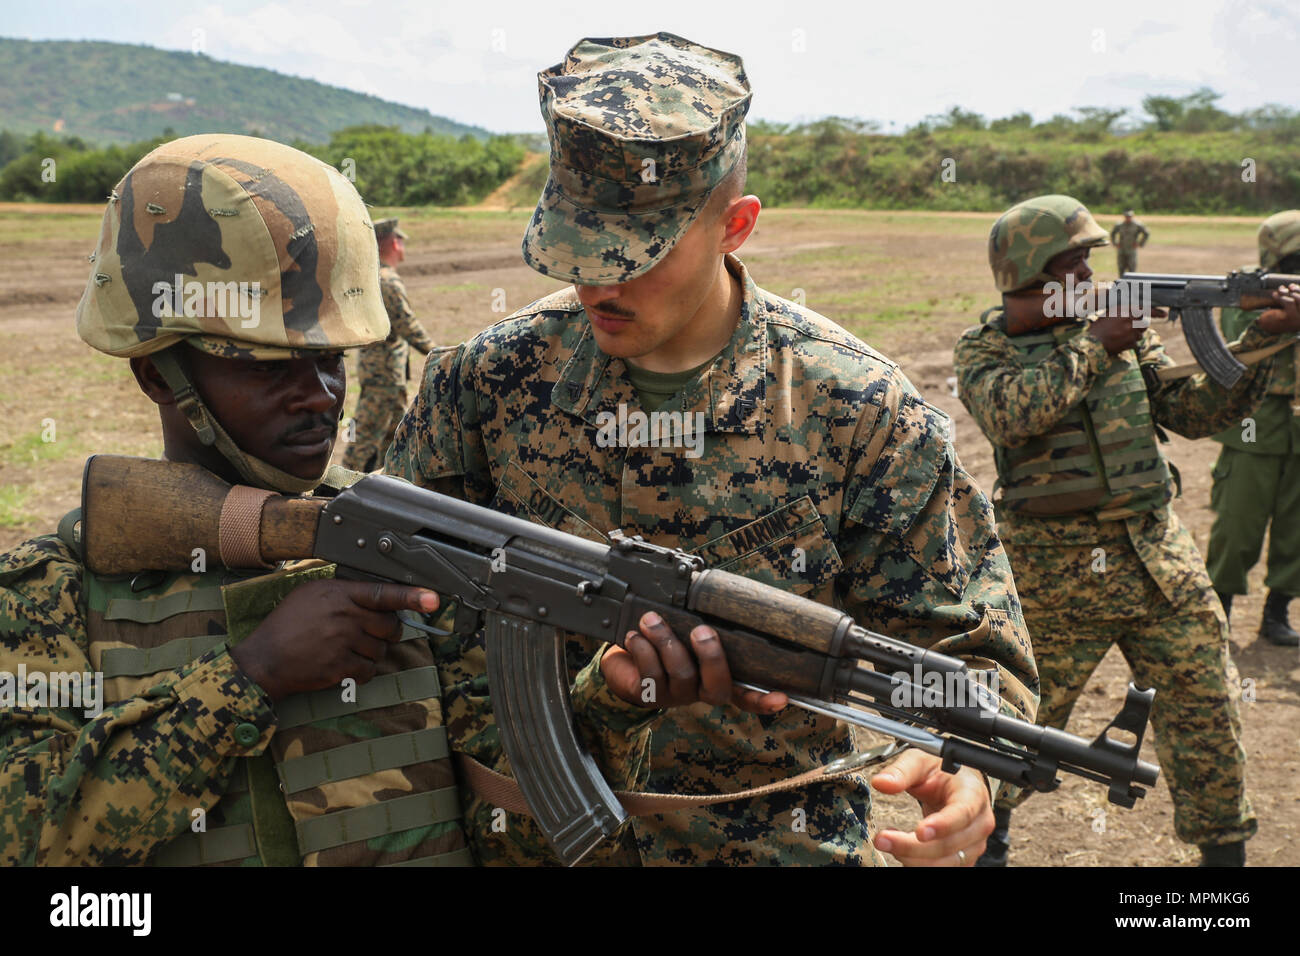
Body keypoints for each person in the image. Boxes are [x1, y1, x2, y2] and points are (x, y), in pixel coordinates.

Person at [385, 32, 1039, 867]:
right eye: (577, 243)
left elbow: (974, 654)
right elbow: (403, 611)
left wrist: (965, 760)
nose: (596, 283)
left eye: (637, 252)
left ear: (737, 226)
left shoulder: (859, 410)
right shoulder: (485, 382)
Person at [0, 135, 471, 866]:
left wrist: (612, 698)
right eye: (267, 369)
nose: (319, 399)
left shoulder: (408, 543)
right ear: (158, 377)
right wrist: (250, 676)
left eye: (330, 360)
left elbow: (516, 808)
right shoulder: (54, 594)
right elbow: (28, 842)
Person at [954, 194, 1300, 867]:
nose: (1091, 273)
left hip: (1158, 563)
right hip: (1051, 578)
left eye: (1091, 260)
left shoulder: (1128, 335)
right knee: (1014, 728)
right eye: (1075, 262)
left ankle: (1222, 872)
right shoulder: (986, 348)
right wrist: (1093, 345)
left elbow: (1197, 413)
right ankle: (983, 849)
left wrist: (1265, 338)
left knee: (1208, 721)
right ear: (1031, 272)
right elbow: (1009, 416)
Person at [1207, 210, 1300, 646]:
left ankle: (1276, 612)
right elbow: (1233, 342)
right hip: (1255, 425)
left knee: (1296, 528)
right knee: (1237, 525)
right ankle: (1219, 609)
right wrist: (1272, 321)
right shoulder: (1249, 287)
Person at [342, 218, 436, 472]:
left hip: (384, 373)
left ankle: (385, 484)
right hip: (384, 374)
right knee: (365, 435)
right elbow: (408, 326)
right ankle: (336, 488)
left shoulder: (375, 276)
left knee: (394, 438)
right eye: (402, 241)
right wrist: (439, 354)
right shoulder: (388, 281)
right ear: (394, 243)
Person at [1110, 210, 1149, 275]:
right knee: (1121, 267)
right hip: (1121, 249)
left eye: (1129, 216)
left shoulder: (1137, 225)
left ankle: (1132, 283)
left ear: (1132, 216)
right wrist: (1115, 243)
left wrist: (1139, 243)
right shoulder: (1120, 225)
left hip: (1131, 249)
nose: (1128, 218)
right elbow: (1112, 233)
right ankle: (1121, 283)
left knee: (1132, 268)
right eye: (1126, 216)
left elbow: (1146, 233)